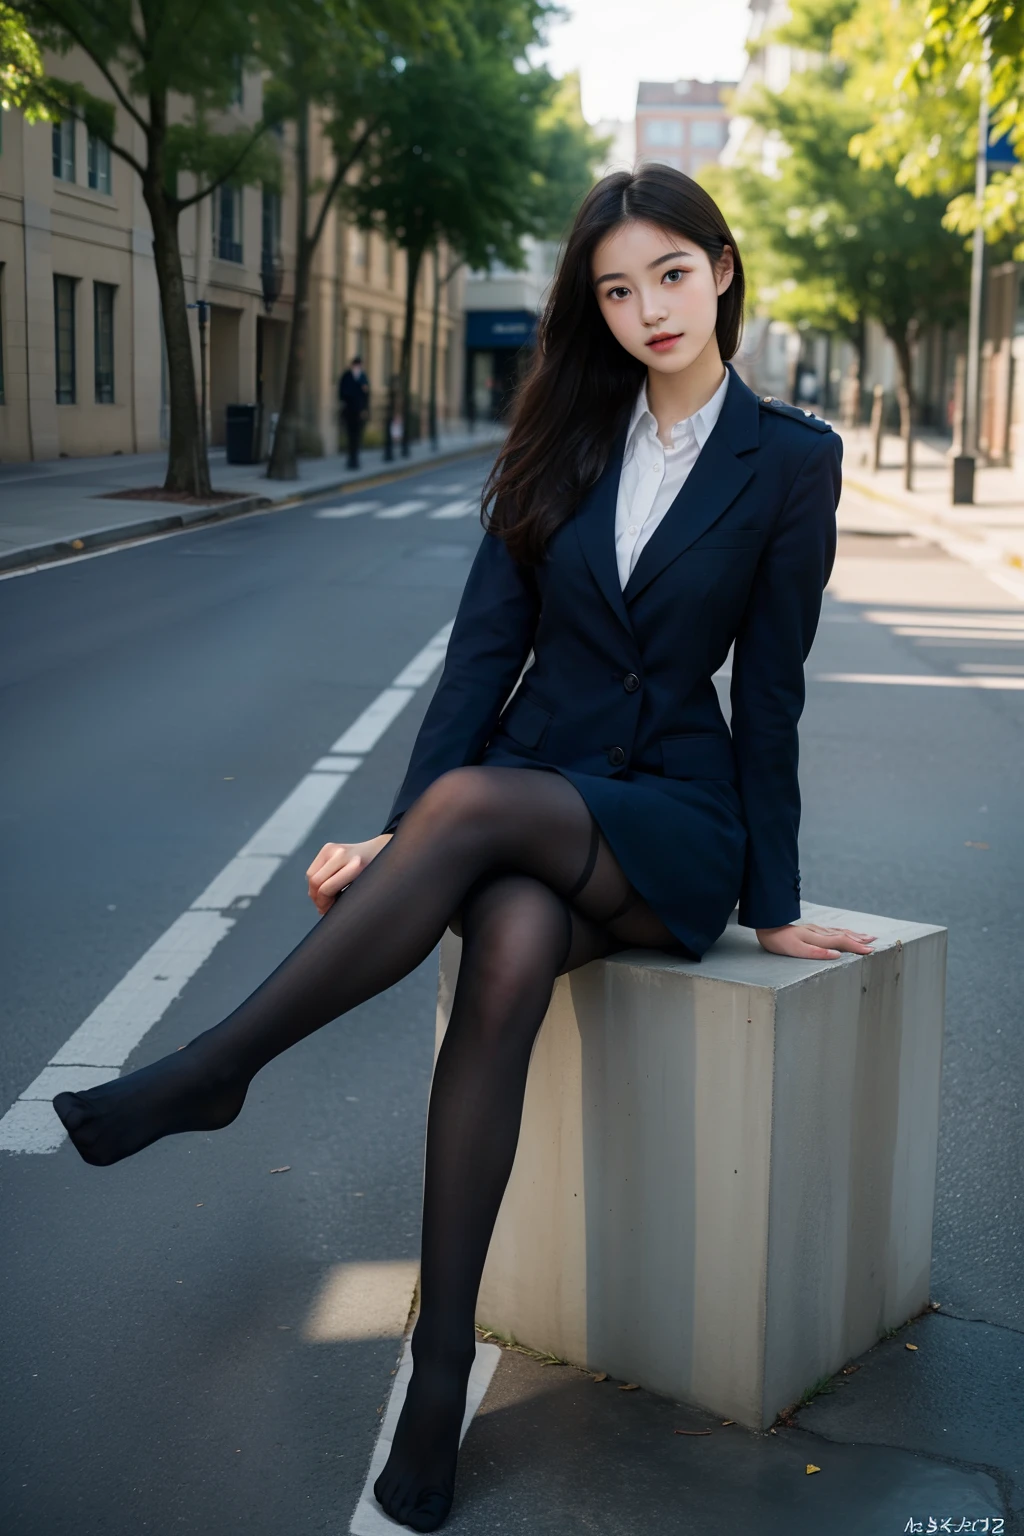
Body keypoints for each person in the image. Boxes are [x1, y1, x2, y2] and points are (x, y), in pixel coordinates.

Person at [53, 166, 876, 1533]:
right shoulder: (555, 434)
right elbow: (485, 653)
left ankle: (213, 1070)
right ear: (592, 307)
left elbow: (773, 684)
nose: (647, 307)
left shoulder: (789, 458)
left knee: (485, 814)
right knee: (504, 943)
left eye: (671, 273)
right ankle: (440, 1387)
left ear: (723, 269)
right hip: (533, 796)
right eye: (616, 288)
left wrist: (774, 901)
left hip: (674, 816)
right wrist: (403, 825)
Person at [338, 355, 370, 468]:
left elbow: (366, 396)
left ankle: (355, 459)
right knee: (350, 435)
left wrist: (365, 410)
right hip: (349, 410)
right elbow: (341, 393)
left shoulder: (363, 377)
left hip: (359, 411)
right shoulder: (346, 376)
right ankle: (351, 459)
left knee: (357, 436)